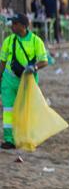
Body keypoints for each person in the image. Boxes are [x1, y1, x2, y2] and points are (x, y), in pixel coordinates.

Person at [0, 14, 49, 148]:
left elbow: (44, 61)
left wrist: (34, 67)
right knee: (8, 110)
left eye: (15, 24)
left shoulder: (36, 41)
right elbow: (2, 63)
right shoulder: (8, 41)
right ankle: (9, 140)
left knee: (25, 111)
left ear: (23, 26)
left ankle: (24, 138)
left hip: (28, 82)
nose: (12, 26)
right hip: (8, 81)